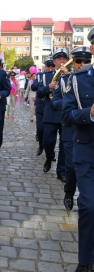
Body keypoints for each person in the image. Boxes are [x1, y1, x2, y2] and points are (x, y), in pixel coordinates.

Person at [62, 28, 94, 272]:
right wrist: (89, 113)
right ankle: (85, 262)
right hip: (87, 149)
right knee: (89, 205)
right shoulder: (78, 79)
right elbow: (67, 114)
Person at [53, 46, 91, 212]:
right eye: (78, 61)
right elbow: (56, 104)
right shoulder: (69, 80)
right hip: (73, 130)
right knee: (72, 167)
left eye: (86, 61)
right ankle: (69, 192)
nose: (82, 64)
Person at [37, 48, 67, 182]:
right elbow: (39, 93)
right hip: (51, 113)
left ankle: (61, 170)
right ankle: (49, 158)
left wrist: (67, 76)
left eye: (64, 59)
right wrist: (48, 87)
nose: (62, 61)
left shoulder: (72, 75)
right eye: (59, 59)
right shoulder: (47, 76)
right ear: (54, 61)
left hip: (66, 114)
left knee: (64, 145)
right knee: (48, 142)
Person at [32, 57, 54, 156]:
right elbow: (34, 87)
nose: (50, 68)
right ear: (45, 66)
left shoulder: (59, 76)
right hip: (41, 105)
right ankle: (41, 145)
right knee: (40, 129)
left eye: (52, 66)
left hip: (52, 107)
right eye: (48, 66)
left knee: (51, 133)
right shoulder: (40, 75)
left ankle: (50, 152)